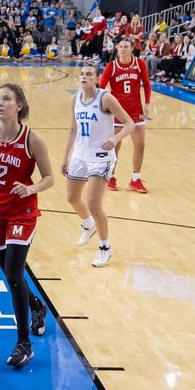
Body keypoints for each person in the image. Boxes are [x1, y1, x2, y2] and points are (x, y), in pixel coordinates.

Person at [0, 83, 55, 368]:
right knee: (9, 274)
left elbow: (49, 178)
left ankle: (23, 344)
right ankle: (37, 306)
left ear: (19, 106)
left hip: (21, 213)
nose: (0, 103)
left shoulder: (32, 139)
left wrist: (30, 189)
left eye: (6, 99)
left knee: (15, 273)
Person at [62, 65, 136, 268]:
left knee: (94, 204)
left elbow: (129, 123)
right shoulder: (74, 99)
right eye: (82, 74)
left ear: (97, 79)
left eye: (89, 74)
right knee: (72, 198)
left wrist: (116, 138)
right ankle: (88, 224)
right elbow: (72, 129)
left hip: (101, 156)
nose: (84, 77)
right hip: (79, 154)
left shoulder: (106, 98)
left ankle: (105, 248)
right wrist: (65, 156)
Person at [99, 37, 151, 193]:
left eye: (126, 46)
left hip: (136, 111)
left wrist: (147, 103)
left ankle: (136, 179)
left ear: (132, 48)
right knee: (115, 146)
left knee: (140, 145)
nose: (123, 49)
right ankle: (111, 176)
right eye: (120, 46)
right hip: (118, 113)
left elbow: (147, 84)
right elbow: (101, 88)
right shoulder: (111, 67)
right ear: (117, 48)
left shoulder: (139, 64)